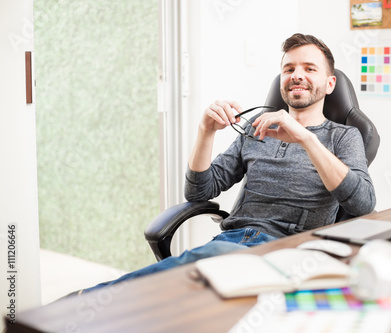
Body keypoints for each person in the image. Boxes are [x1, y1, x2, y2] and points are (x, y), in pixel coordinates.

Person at [76, 33, 375, 295]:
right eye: (289, 68)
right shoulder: (257, 128)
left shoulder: (344, 136)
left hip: (288, 252)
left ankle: (89, 300)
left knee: (191, 273)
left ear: (330, 82)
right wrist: (205, 131)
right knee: (184, 291)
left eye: (310, 68)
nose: (297, 75)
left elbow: (363, 202)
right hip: (234, 239)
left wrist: (306, 139)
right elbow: (198, 192)